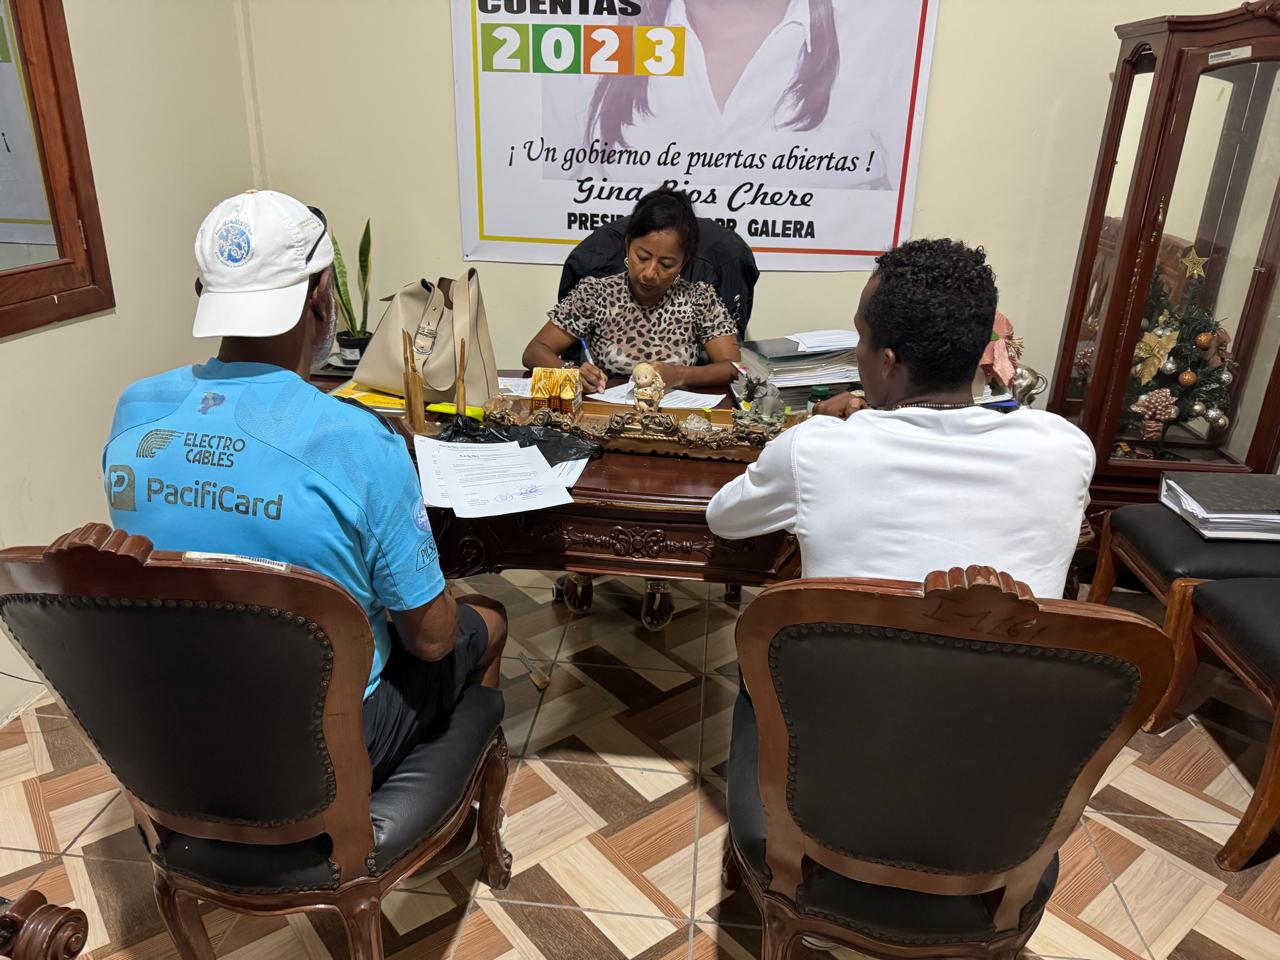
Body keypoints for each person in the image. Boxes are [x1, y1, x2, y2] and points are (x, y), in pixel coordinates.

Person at [101, 190, 507, 789]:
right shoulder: (360, 440)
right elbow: (431, 640)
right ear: (321, 295)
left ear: (202, 293)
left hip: (180, 726)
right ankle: (450, 798)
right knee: (486, 620)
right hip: (320, 750)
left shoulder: (135, 411)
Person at [707, 238, 1095, 599]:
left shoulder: (815, 447)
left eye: (860, 337)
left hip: (841, 653)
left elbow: (725, 519)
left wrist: (813, 425)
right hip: (1016, 653)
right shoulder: (1064, 448)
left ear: (887, 361)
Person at [522, 187, 742, 392]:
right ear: (628, 246)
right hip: (606, 410)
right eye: (642, 257)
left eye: (666, 264)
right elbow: (534, 352)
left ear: (683, 262)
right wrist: (571, 373)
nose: (649, 273)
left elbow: (733, 368)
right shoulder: (596, 293)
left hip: (675, 412)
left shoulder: (700, 299)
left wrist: (680, 375)